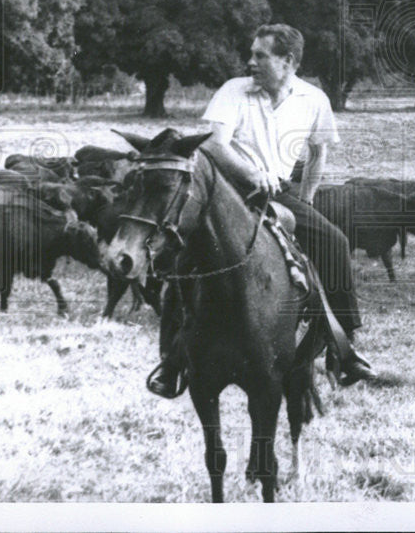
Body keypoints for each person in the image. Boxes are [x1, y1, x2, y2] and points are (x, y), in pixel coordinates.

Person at [147, 23, 375, 397]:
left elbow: (319, 152)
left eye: (260, 55)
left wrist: (307, 198)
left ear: (287, 61)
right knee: (181, 255)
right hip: (223, 192)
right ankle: (172, 362)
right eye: (251, 54)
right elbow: (215, 145)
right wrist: (253, 173)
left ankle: (343, 347)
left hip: (279, 195)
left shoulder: (314, 99)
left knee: (333, 242)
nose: (249, 61)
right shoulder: (233, 91)